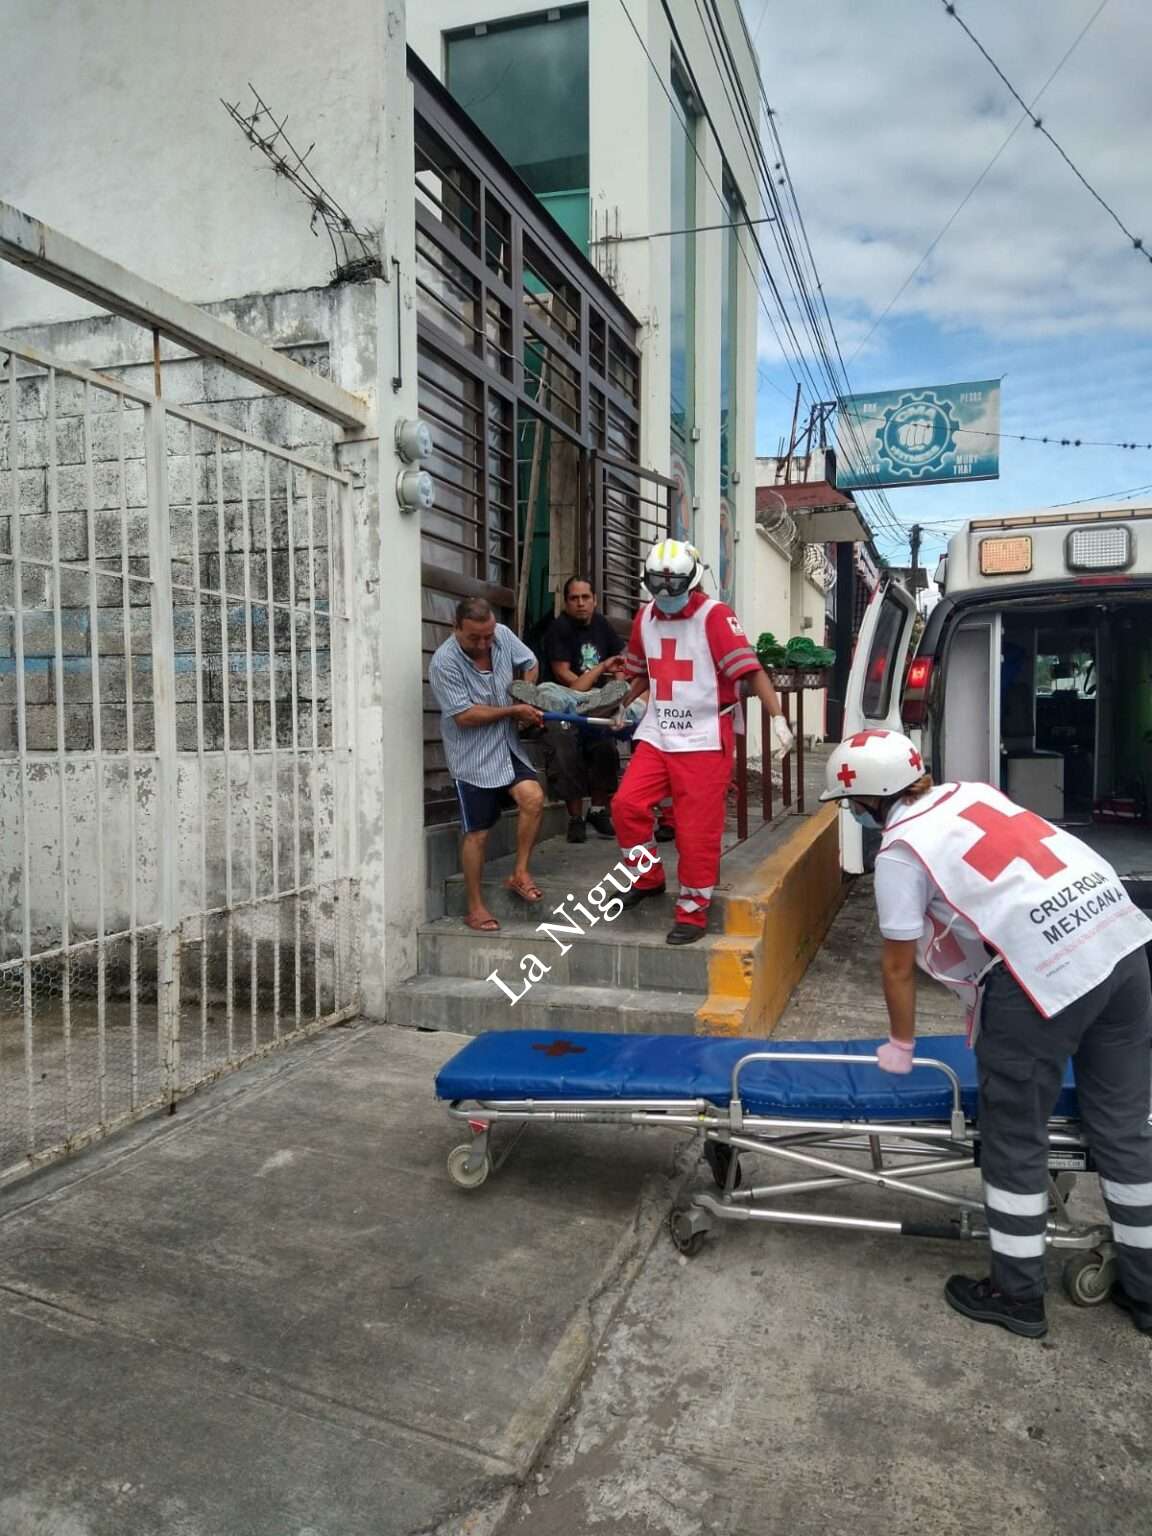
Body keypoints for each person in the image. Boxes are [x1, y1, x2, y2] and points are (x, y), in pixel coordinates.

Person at [820, 727, 1152, 1339]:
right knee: (1126, 1128)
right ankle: (1148, 1290)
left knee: (1014, 1137)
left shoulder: (900, 852)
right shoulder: (974, 795)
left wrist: (900, 1045)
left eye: (852, 804)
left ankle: (1016, 1293)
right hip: (1124, 944)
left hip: (1039, 975)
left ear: (868, 800)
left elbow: (897, 965)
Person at [610, 540, 795, 945]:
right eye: (657, 590)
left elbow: (751, 670)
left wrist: (778, 717)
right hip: (659, 732)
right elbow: (645, 671)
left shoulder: (715, 617)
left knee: (696, 830)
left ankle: (692, 911)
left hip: (705, 736)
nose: (665, 600)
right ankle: (647, 877)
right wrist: (621, 703)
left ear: (691, 583)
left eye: (672, 591)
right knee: (626, 805)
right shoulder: (645, 618)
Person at [428, 598, 547, 931]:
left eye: (488, 637)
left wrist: (525, 695)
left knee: (533, 798)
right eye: (474, 638)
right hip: (472, 757)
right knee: (477, 833)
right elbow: (464, 716)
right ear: (457, 629)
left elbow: (530, 661)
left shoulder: (502, 634)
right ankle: (475, 907)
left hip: (507, 745)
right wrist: (513, 711)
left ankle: (520, 872)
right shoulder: (443, 663)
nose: (483, 644)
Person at [511, 576, 630, 843]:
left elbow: (620, 665)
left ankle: (598, 811)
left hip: (596, 703)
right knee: (563, 745)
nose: (580, 603)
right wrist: (601, 669)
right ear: (566, 602)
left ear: (594, 600)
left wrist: (618, 692)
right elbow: (569, 679)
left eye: (585, 597)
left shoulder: (602, 625)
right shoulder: (558, 628)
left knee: (605, 746)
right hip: (566, 700)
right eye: (574, 598)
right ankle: (575, 818)